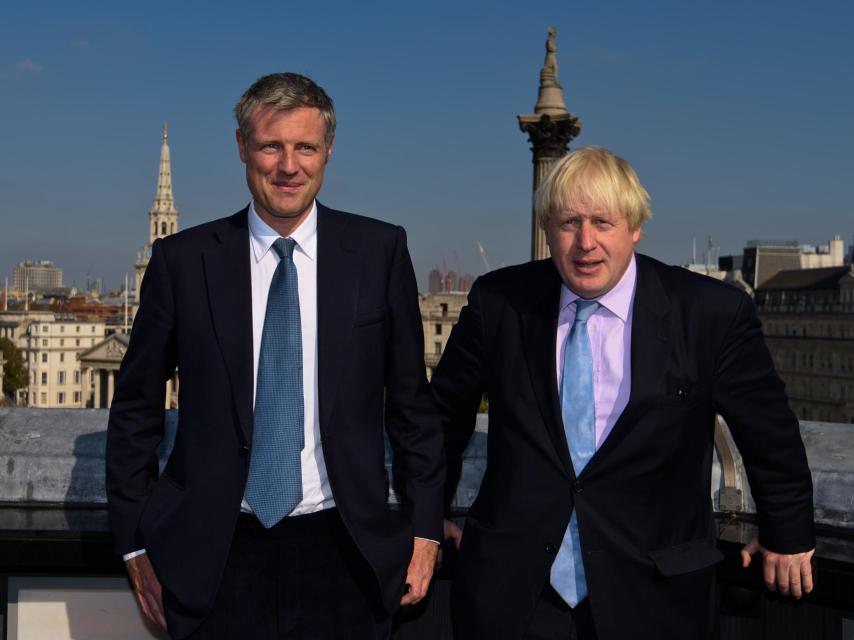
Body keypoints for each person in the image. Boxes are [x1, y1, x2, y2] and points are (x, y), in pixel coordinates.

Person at [106, 72, 444, 639]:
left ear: (328, 151)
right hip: (213, 557)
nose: (289, 166)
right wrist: (135, 544)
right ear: (242, 147)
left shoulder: (378, 251)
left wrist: (426, 532)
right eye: (271, 146)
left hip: (349, 554)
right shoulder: (183, 263)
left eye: (305, 147)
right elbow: (136, 409)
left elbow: (412, 405)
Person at [432, 146, 815, 639]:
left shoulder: (708, 313)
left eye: (602, 222)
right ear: (547, 229)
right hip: (515, 596)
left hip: (656, 595)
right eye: (568, 223)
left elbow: (769, 432)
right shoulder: (498, 302)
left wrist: (787, 534)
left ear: (635, 227)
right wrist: (427, 518)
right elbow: (442, 419)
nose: (585, 242)